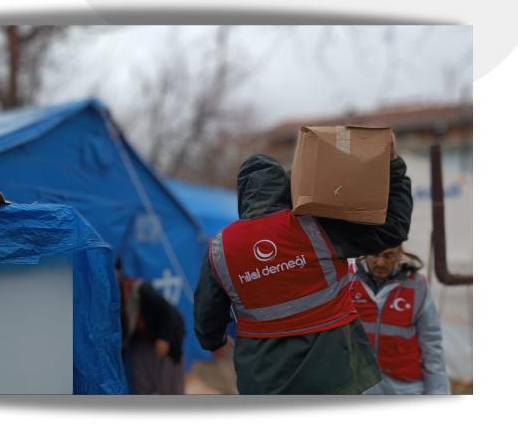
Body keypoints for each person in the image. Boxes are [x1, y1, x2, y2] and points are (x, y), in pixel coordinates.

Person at [194, 142, 413, 394]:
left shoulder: (221, 248)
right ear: (286, 188)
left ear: (243, 196)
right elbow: (394, 227)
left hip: (264, 384)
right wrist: (394, 166)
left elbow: (206, 318)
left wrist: (215, 341)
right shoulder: (317, 226)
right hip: (339, 376)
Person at [350, 246, 450, 394]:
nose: (380, 262)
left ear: (399, 254)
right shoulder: (349, 281)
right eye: (375, 255)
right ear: (364, 255)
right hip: (362, 386)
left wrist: (438, 392)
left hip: (405, 388)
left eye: (388, 256)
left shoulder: (417, 284)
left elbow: (431, 344)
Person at [117, 261, 186, 394]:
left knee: (169, 386)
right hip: (141, 342)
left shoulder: (141, 289)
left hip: (166, 337)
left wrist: (164, 338)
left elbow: (169, 312)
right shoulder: (114, 301)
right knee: (142, 384)